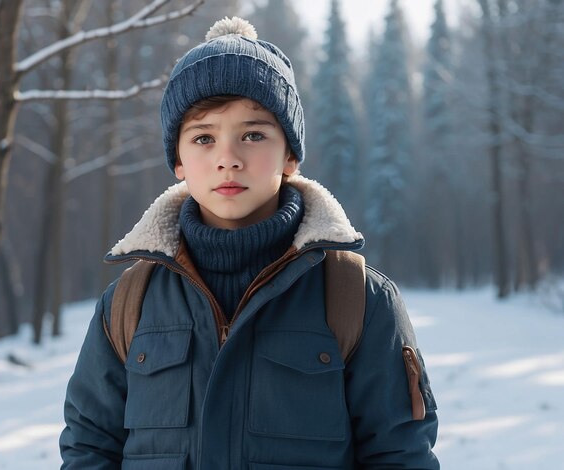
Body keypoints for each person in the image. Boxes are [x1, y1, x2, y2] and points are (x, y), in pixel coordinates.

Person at [60, 16, 439, 470]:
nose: (228, 159)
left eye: (253, 135)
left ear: (291, 155)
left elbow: (399, 456)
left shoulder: (358, 299)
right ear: (178, 160)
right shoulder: (128, 304)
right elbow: (89, 450)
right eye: (203, 138)